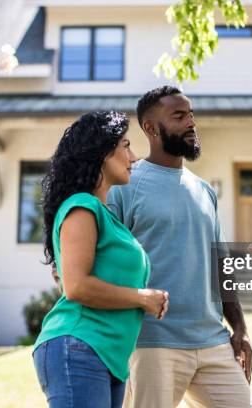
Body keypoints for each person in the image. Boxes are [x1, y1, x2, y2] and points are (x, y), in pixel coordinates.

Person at [107, 86, 252, 408]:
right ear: (149, 128)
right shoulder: (125, 187)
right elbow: (106, 261)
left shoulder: (204, 190)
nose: (190, 122)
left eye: (190, 115)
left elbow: (221, 264)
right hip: (153, 342)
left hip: (213, 339)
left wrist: (240, 329)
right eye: (178, 116)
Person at [33, 111, 169, 408]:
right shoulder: (82, 207)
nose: (133, 156)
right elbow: (77, 287)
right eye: (126, 145)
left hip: (107, 356)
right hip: (79, 345)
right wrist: (143, 297)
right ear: (102, 153)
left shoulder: (106, 215)